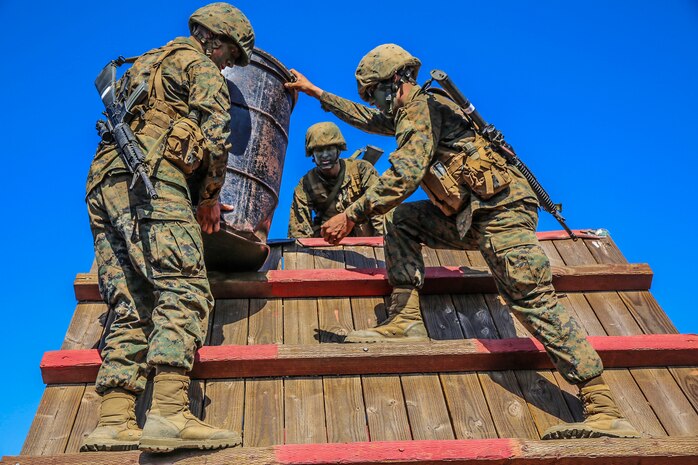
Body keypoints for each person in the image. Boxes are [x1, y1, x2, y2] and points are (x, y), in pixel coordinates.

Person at [285, 43, 640, 440]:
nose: (377, 102)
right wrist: (318, 94)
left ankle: (602, 406)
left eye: (377, 92)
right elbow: (369, 119)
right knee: (404, 221)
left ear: (396, 82)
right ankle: (406, 319)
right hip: (471, 217)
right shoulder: (413, 111)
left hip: (500, 215)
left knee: (531, 299)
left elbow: (404, 173)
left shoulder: (421, 109)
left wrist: (350, 215)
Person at [81, 3, 254, 453]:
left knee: (130, 299)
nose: (228, 65)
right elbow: (217, 137)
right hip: (154, 182)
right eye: (231, 56)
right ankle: (169, 414)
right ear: (214, 40)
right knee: (184, 288)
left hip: (103, 185)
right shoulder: (201, 67)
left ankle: (115, 418)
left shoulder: (140, 64)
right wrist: (210, 199)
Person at [288, 122, 385, 238]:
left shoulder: (361, 169)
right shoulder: (306, 184)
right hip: (330, 244)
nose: (324, 155)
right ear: (312, 154)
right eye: (319, 150)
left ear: (339, 150)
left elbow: (379, 207)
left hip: (366, 241)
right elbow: (298, 230)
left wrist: (382, 243)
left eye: (329, 149)